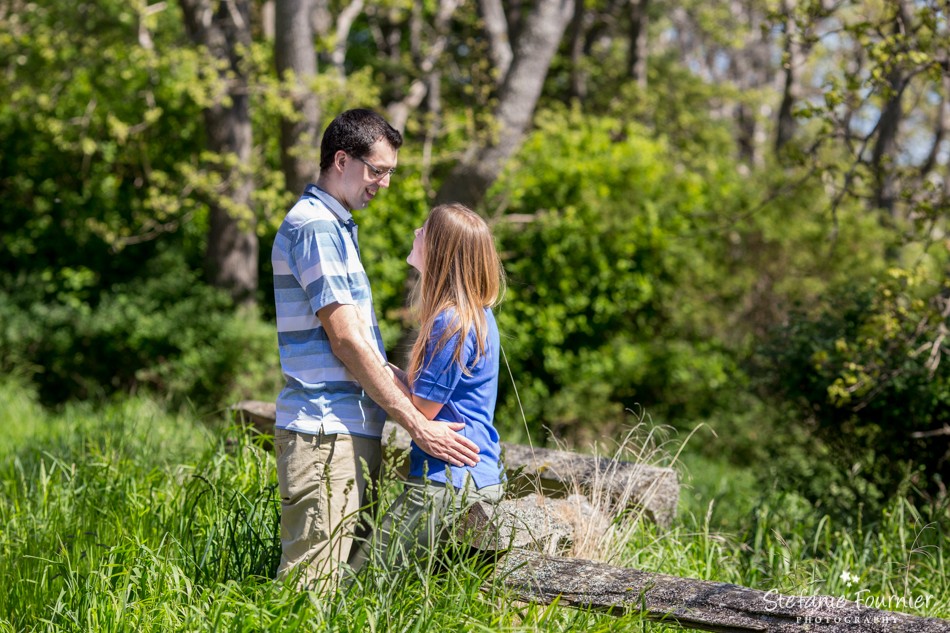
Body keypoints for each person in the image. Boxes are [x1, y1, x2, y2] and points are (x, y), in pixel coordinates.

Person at [271, 109, 481, 589]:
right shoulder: (317, 227)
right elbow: (344, 339)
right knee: (311, 591)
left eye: (389, 172)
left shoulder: (337, 227)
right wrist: (418, 424)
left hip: (347, 430)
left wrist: (401, 390)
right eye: (377, 170)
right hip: (325, 433)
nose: (384, 183)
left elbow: (357, 342)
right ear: (341, 160)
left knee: (343, 591)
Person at [354, 202, 507, 571]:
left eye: (424, 230)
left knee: (356, 589)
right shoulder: (477, 314)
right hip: (474, 477)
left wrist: (363, 360)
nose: (416, 234)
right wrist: (379, 366)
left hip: (448, 481)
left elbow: (421, 411)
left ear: (441, 249)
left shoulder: (451, 321)